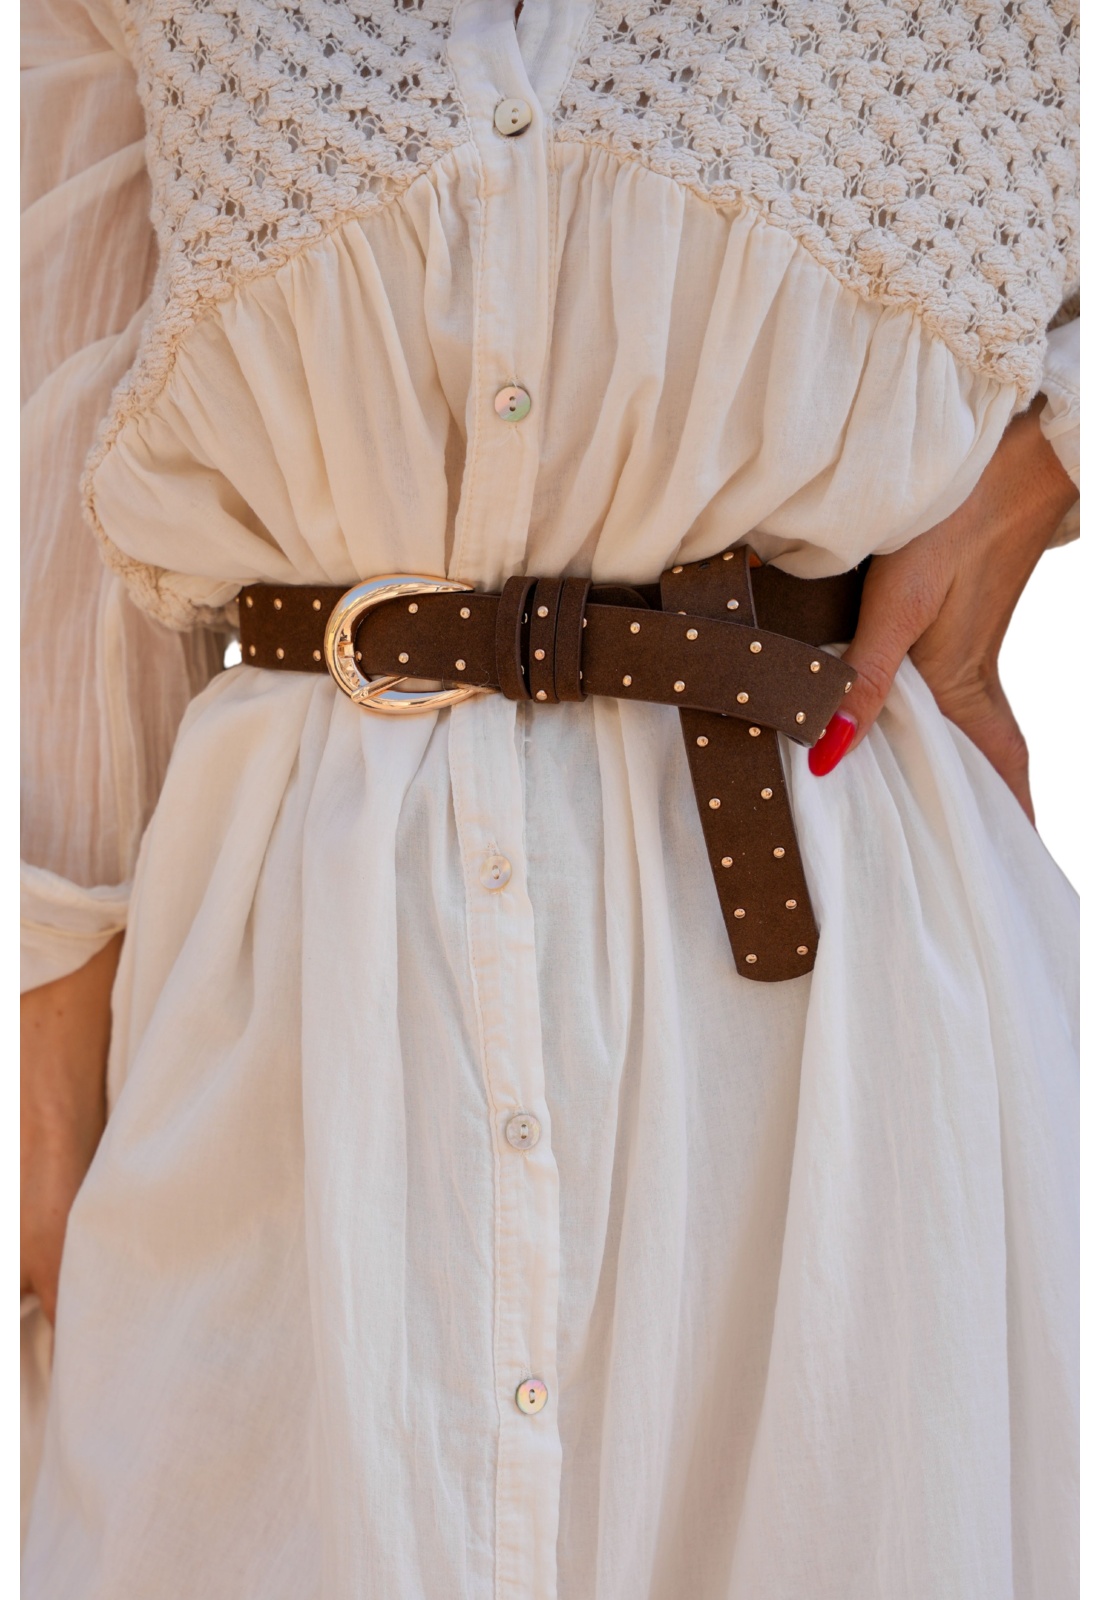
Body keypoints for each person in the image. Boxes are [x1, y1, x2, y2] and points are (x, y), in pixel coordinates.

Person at [21, 1, 1079, 1595]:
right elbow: (51, 450)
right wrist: (46, 1073)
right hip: (282, 1017)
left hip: (821, 1018)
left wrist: (1048, 456)